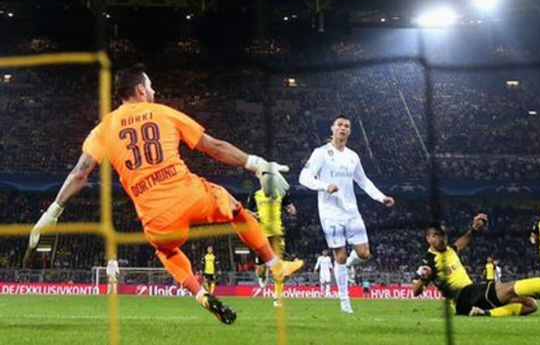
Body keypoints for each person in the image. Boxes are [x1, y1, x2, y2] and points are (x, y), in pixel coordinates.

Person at [28, 64, 304, 324]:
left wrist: (52, 212)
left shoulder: (104, 128)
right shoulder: (164, 113)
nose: (154, 91)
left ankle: (200, 294)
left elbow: (80, 173)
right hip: (188, 194)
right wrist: (256, 164)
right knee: (234, 208)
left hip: (155, 216)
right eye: (150, 86)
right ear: (140, 90)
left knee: (167, 251)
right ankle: (275, 265)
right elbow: (214, 147)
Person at [299, 115, 395, 314]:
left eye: (346, 126)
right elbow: (304, 177)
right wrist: (324, 186)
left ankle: (349, 265)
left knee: (364, 254)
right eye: (340, 125)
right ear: (332, 128)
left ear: (349, 132)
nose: (343, 128)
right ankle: (345, 302)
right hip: (330, 213)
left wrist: (381, 197)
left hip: (351, 211)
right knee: (340, 256)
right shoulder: (321, 153)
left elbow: (363, 181)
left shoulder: (353, 156)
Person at [412, 213, 540, 317]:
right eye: (436, 235)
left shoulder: (450, 250)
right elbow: (416, 291)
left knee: (530, 305)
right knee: (510, 287)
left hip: (472, 295)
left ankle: (484, 313)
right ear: (428, 238)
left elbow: (463, 241)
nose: (441, 238)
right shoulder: (430, 260)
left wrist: (475, 228)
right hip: (462, 297)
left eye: (443, 235)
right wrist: (423, 277)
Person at [247, 184, 297, 307]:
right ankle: (262, 275)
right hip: (261, 234)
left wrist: (291, 209)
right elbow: (246, 211)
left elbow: (292, 209)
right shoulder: (255, 194)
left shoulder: (280, 193)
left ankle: (277, 297)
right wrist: (254, 214)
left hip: (277, 234)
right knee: (260, 268)